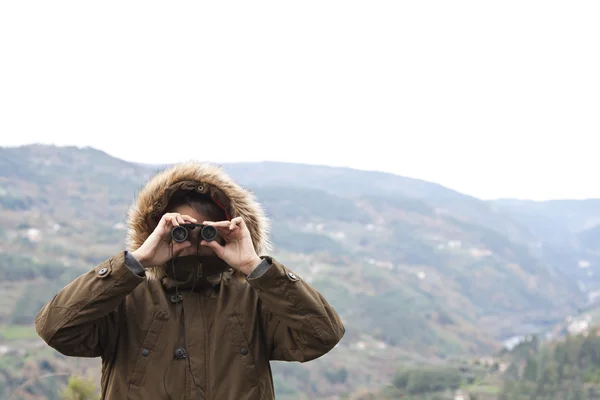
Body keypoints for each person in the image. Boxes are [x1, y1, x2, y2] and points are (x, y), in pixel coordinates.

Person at [35, 161, 345, 399]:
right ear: (154, 228)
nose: (193, 239)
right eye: (180, 229)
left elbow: (322, 335)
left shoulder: (254, 300)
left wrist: (254, 266)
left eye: (208, 229)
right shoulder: (126, 297)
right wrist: (136, 261)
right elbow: (57, 329)